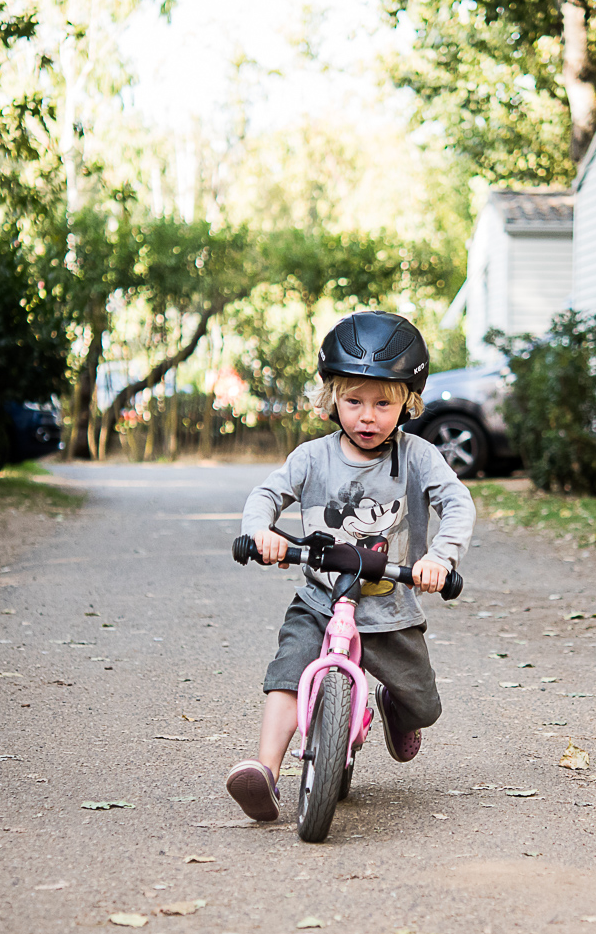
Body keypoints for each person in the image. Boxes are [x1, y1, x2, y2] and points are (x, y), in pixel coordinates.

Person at [225, 311, 476, 821]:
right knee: (288, 674)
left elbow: (457, 503)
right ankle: (266, 772)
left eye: (383, 403)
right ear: (331, 399)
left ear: (408, 401)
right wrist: (262, 533)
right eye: (353, 401)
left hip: (391, 610)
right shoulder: (313, 457)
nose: (367, 416)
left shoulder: (419, 456)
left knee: (423, 705)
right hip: (321, 599)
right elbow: (267, 494)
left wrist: (437, 558)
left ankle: (391, 709)